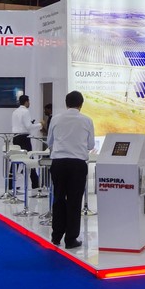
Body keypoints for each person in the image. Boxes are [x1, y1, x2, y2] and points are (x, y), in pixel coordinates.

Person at [47, 90, 95, 249]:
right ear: (81, 104)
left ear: (66, 103)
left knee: (58, 199)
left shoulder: (55, 119)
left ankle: (56, 236)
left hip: (59, 163)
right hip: (77, 165)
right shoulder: (87, 120)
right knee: (74, 202)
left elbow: (49, 141)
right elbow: (90, 145)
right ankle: (71, 239)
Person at [11, 94, 42, 189]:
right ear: (26, 102)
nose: (29, 103)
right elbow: (28, 126)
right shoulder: (26, 111)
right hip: (24, 138)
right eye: (29, 101)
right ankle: (35, 184)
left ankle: (10, 185)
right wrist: (40, 124)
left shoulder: (15, 112)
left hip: (15, 137)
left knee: (15, 160)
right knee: (30, 159)